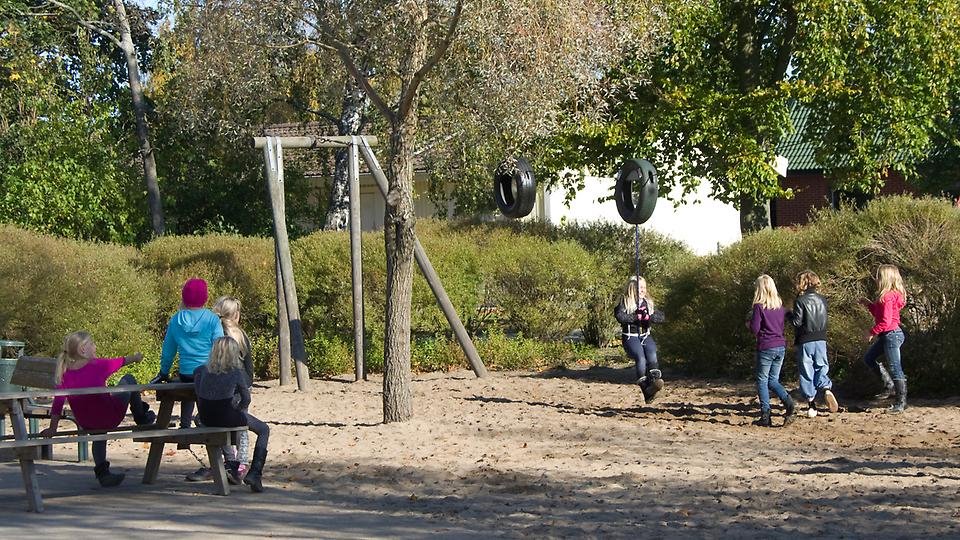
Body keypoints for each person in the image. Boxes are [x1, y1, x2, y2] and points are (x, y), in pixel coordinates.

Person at [40, 331, 155, 487]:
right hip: (110, 415)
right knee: (129, 379)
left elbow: (58, 403)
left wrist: (52, 428)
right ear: (83, 350)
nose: (95, 346)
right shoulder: (98, 365)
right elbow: (122, 361)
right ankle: (141, 417)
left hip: (86, 421)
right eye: (92, 344)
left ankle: (103, 474)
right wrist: (135, 358)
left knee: (98, 431)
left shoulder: (64, 373)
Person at [152, 278, 223, 480]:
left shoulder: (176, 320)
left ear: (184, 297)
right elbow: (218, 346)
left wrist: (163, 371)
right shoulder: (211, 319)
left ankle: (185, 426)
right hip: (208, 374)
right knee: (210, 409)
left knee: (183, 393)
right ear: (205, 297)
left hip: (185, 374)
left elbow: (168, 351)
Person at [187, 296, 254, 483]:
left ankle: (229, 461)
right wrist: (247, 381)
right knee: (241, 425)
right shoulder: (241, 334)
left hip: (224, 383)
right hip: (241, 383)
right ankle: (241, 463)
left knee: (216, 423)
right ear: (236, 315)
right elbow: (249, 364)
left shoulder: (218, 331)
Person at [194, 336, 270, 492]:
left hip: (206, 417)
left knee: (224, 424)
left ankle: (232, 465)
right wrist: (239, 410)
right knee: (263, 429)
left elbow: (199, 397)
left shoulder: (200, 371)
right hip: (227, 414)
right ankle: (255, 472)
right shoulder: (236, 372)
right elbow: (246, 398)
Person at [787, 270, 839, 418]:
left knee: (806, 371)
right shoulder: (823, 299)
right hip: (821, 338)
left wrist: (788, 314)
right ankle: (826, 388)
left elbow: (797, 322)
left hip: (806, 339)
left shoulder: (800, 301)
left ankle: (812, 405)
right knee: (821, 366)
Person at [747, 275, 796, 427]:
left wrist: (748, 324)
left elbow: (755, 329)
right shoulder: (780, 307)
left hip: (766, 346)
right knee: (773, 381)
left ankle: (765, 415)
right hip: (780, 346)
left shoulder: (759, 307)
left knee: (762, 381)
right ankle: (789, 404)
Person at [860, 264, 908, 413]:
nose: (876, 279)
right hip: (890, 334)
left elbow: (885, 322)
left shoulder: (887, 297)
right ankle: (889, 386)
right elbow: (880, 315)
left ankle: (901, 402)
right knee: (869, 358)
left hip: (891, 334)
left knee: (895, 367)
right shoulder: (889, 296)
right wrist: (869, 305)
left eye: (878, 276)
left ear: (885, 278)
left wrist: (871, 332)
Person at [614, 276, 666, 402]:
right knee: (641, 358)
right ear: (632, 288)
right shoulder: (625, 302)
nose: (643, 290)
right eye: (640, 287)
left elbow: (662, 316)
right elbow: (620, 316)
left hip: (645, 335)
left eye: (644, 287)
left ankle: (653, 384)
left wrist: (650, 317)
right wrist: (634, 317)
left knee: (652, 354)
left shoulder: (648, 302)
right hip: (630, 337)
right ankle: (645, 388)